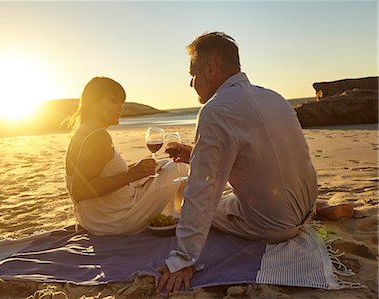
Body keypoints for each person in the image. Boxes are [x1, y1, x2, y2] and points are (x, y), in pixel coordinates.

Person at [156, 32, 353, 295]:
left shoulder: (215, 110)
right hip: (302, 206)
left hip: (274, 226)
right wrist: (194, 154)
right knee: (241, 190)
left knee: (184, 193)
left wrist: (183, 258)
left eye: (193, 74)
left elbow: (203, 191)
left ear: (210, 69)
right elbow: (259, 158)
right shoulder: (274, 97)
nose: (192, 83)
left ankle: (303, 214)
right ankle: (319, 209)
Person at [65, 77, 187, 235]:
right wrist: (132, 174)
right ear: (94, 103)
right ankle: (175, 217)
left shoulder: (83, 131)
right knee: (180, 167)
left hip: (95, 218)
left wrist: (137, 170)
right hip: (115, 219)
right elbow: (80, 191)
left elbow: (98, 173)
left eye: (122, 102)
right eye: (114, 101)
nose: (121, 108)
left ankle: (170, 215)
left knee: (164, 164)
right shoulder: (98, 136)